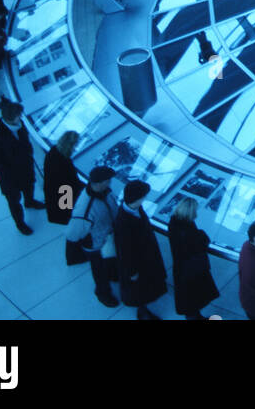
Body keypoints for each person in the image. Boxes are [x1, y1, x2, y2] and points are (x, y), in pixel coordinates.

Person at [0, 101, 44, 234]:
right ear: (10, 118)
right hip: (10, 178)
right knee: (14, 201)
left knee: (29, 187)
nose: (21, 117)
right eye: (18, 115)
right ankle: (20, 223)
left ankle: (29, 202)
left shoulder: (19, 126)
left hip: (25, 168)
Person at [114, 180, 166, 320]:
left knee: (145, 285)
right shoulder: (123, 223)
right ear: (137, 198)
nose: (145, 198)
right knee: (139, 289)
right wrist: (132, 272)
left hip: (146, 256)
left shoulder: (135, 208)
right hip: (139, 262)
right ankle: (142, 312)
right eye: (144, 196)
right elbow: (125, 252)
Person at [70, 166, 119, 308]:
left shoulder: (106, 192)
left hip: (107, 237)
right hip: (95, 244)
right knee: (99, 270)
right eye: (108, 180)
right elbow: (73, 233)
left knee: (110, 260)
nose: (110, 183)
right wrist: (90, 240)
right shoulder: (85, 207)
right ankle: (103, 293)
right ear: (99, 183)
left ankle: (113, 274)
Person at [168, 198, 220, 320]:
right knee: (192, 298)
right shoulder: (186, 229)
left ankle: (196, 316)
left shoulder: (175, 222)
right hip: (191, 269)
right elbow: (199, 243)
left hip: (183, 268)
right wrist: (201, 235)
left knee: (191, 299)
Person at [44, 130, 83, 226]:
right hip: (63, 191)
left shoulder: (54, 151)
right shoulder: (63, 161)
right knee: (64, 211)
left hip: (56, 189)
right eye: (75, 145)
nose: (76, 148)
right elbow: (70, 180)